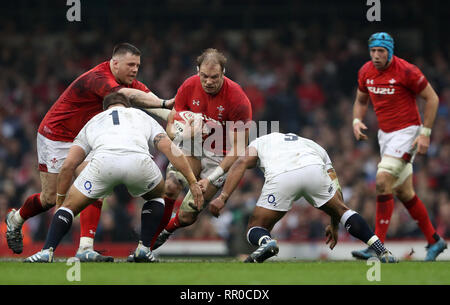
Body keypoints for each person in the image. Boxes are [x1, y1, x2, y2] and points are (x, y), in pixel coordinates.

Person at [5, 43, 174, 261]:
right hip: (57, 135)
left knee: (95, 184)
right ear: (114, 63)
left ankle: (85, 247)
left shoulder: (128, 82)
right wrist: (165, 103)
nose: (135, 70)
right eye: (130, 65)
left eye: (138, 66)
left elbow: (149, 100)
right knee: (49, 199)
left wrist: (174, 116)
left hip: (88, 138)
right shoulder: (98, 78)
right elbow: (132, 96)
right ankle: (16, 219)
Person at [24, 92, 203, 263]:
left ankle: (46, 251)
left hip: (103, 163)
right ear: (126, 106)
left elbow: (68, 166)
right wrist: (192, 182)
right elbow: (170, 149)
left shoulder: (93, 121)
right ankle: (144, 248)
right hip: (138, 162)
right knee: (156, 197)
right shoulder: (140, 115)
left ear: (105, 108)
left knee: (69, 208)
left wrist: (61, 201)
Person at [208, 132, 398, 263]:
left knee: (255, 228)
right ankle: (381, 250)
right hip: (313, 169)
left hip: (283, 176)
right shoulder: (314, 145)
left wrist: (222, 197)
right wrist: (333, 223)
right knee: (343, 211)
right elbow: (336, 186)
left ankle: (267, 242)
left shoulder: (261, 141)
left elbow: (241, 162)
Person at [144, 48, 252, 252]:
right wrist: (182, 134)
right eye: (204, 76)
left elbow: (238, 148)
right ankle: (148, 243)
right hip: (192, 145)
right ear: (197, 71)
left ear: (223, 73)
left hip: (220, 155)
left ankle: (167, 230)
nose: (208, 81)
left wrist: (211, 178)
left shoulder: (238, 99)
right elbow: (171, 124)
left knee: (187, 215)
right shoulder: (188, 86)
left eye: (214, 77)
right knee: (171, 187)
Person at [351, 32, 447, 261]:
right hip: (385, 136)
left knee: (382, 180)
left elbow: (432, 98)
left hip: (408, 132)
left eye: (381, 51)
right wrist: (356, 120)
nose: (376, 56)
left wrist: (425, 133)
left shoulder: (407, 71)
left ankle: (377, 244)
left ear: (390, 51)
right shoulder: (366, 71)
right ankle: (435, 240)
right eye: (373, 51)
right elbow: (361, 100)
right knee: (405, 192)